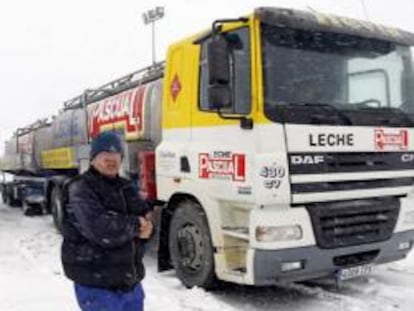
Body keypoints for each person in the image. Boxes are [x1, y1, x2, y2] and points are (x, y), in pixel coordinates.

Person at [61, 131, 153, 311]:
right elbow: (100, 229)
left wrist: (147, 228)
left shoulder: (126, 187)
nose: (111, 159)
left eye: (116, 155)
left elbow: (145, 220)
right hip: (97, 284)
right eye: (105, 155)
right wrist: (137, 225)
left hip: (130, 283)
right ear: (93, 158)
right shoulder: (80, 187)